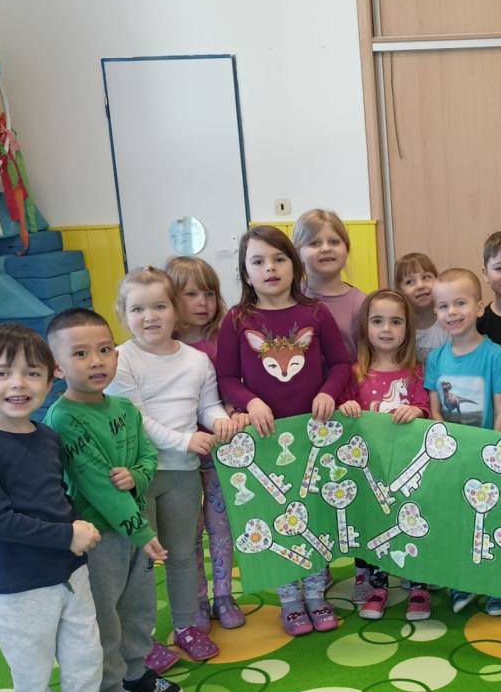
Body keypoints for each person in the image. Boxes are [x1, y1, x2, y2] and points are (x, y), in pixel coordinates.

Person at [0, 323, 139, 692]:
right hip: (15, 584)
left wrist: (78, 531)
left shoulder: (46, 437)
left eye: (32, 373)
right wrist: (67, 535)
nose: (18, 384)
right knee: (33, 671)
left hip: (68, 574)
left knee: (83, 658)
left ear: (50, 379)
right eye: (2, 373)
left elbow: (58, 498)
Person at [216, 225, 352, 636]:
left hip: (314, 435)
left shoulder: (315, 313)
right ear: (245, 272)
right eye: (258, 261)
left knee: (313, 513)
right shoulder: (238, 319)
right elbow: (226, 377)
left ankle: (316, 593)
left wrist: (328, 392)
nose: (270, 268)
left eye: (278, 259)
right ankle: (290, 601)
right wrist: (252, 402)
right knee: (277, 516)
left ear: (293, 265)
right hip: (266, 439)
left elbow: (340, 364)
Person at [47, 309, 178, 692]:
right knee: (103, 614)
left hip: (136, 527)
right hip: (99, 536)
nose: (96, 361)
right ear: (56, 366)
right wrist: (142, 532)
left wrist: (137, 475)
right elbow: (97, 485)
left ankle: (135, 671)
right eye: (80, 353)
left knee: (139, 602)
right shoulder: (64, 418)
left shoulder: (124, 408)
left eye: (105, 350)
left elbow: (148, 456)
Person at [107, 267, 236, 662]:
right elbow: (136, 418)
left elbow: (207, 405)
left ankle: (186, 627)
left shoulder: (197, 361)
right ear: (123, 313)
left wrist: (222, 422)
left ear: (175, 310)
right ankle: (141, 640)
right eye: (138, 309)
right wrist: (185, 440)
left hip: (183, 473)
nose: (150, 317)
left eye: (160, 306)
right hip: (138, 475)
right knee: (141, 561)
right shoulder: (120, 360)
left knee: (182, 553)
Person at [423, 267, 501, 614]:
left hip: (486, 456)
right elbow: (435, 410)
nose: (452, 312)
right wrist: (446, 448)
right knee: (458, 520)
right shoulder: (436, 359)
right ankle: (462, 581)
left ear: (480, 307)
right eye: (443, 306)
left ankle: (497, 585)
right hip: (451, 457)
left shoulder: (496, 356)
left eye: (460, 303)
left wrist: (490, 452)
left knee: (493, 519)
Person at [338, 289, 432, 621]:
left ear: (408, 327)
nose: (387, 329)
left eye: (396, 321)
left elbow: (426, 410)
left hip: (408, 470)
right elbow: (342, 414)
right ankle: (377, 586)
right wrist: (346, 407)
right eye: (378, 321)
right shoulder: (355, 373)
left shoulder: (417, 372)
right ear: (365, 327)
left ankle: (419, 584)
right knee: (372, 525)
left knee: (413, 520)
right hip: (370, 470)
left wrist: (416, 411)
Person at [166, 255, 247, 634]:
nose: (202, 302)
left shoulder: (222, 339)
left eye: (209, 293)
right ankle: (196, 598)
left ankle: (224, 595)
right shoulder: (163, 346)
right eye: (191, 294)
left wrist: (235, 409)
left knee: (221, 527)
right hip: (177, 456)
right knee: (188, 531)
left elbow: (236, 382)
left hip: (220, 451)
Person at [294, 208, 366, 362]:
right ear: (298, 253)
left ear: (346, 249)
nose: (326, 248)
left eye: (334, 242)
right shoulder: (287, 297)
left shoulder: (363, 304)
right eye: (314, 243)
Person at [395, 251, 447, 365]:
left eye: (426, 277)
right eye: (410, 282)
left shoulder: (451, 322)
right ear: (400, 291)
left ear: (438, 280)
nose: (420, 286)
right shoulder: (398, 329)